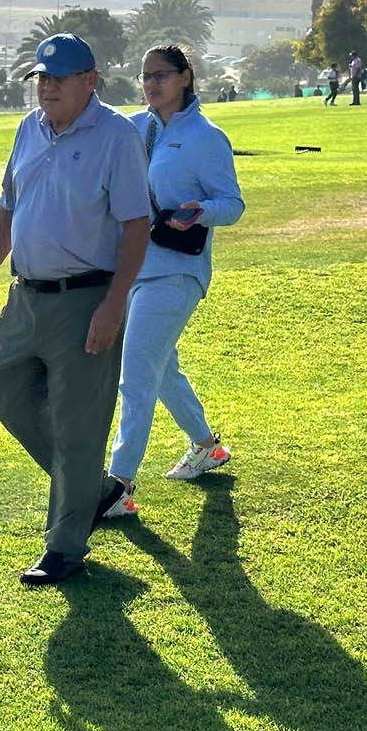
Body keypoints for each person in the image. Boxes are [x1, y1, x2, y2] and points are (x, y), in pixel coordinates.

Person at [0, 33, 151, 586]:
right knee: (9, 395)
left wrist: (114, 304)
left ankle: (64, 548)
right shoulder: (30, 128)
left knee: (77, 427)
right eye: (41, 78)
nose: (46, 87)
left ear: (90, 81)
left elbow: (137, 225)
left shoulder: (116, 136)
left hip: (86, 299)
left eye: (59, 77)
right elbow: (8, 208)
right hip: (26, 296)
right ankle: (94, 489)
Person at [100, 46, 245, 517]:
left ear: (185, 77)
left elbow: (233, 204)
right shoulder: (134, 127)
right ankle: (206, 446)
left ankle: (118, 484)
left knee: (136, 374)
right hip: (131, 268)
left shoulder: (206, 137)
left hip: (178, 270)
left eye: (161, 75)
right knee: (161, 369)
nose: (151, 84)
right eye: (145, 76)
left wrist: (201, 211)